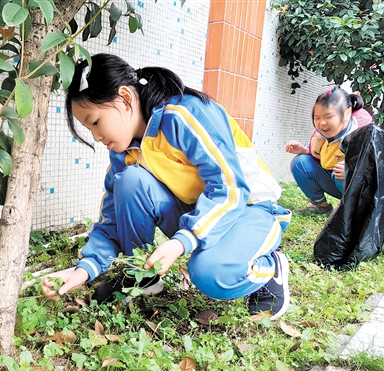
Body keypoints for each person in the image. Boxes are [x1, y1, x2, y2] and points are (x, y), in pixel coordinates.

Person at [41, 53, 292, 320]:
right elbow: (112, 219)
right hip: (199, 213)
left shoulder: (185, 115)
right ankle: (143, 277)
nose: (96, 136)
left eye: (95, 122)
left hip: (250, 208)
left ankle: (270, 269)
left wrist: (182, 241)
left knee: (211, 273)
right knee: (129, 181)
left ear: (125, 98)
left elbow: (230, 188)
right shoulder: (124, 151)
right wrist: (84, 269)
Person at [285, 87, 374, 213]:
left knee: (340, 169)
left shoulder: (363, 133)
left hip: (360, 189)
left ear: (347, 114)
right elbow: (325, 156)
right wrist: (304, 150)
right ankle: (321, 206)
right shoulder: (322, 135)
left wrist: (353, 170)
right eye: (318, 117)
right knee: (300, 162)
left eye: (329, 116)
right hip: (335, 180)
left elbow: (377, 171)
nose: (322, 123)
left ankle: (353, 212)